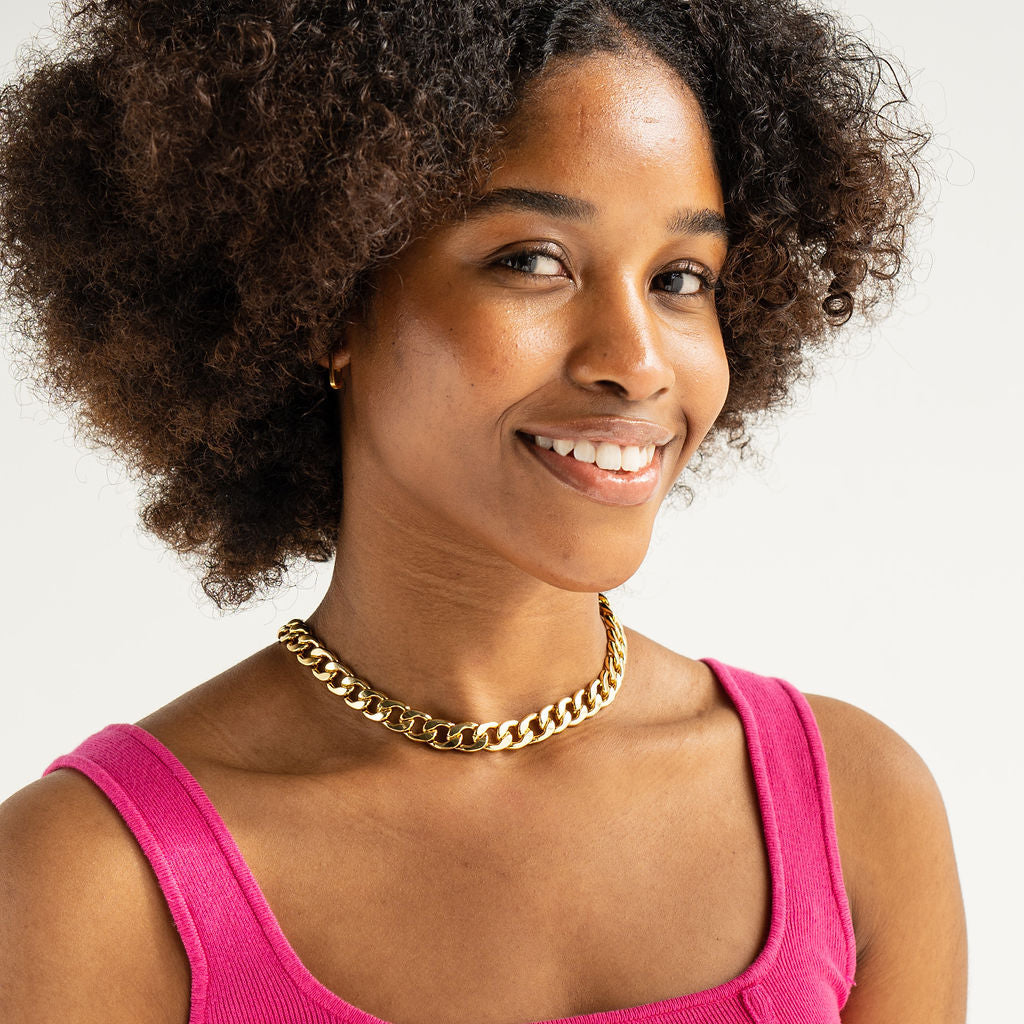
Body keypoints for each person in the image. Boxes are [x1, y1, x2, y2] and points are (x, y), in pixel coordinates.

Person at [0, 1, 966, 1022]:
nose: (636, 361)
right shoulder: (92, 881)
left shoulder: (855, 813)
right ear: (327, 300)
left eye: (681, 279)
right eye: (533, 260)